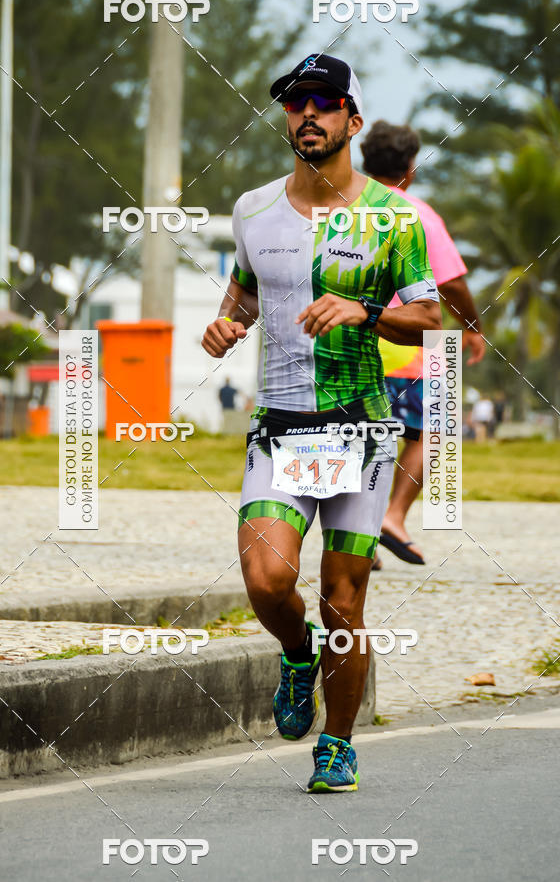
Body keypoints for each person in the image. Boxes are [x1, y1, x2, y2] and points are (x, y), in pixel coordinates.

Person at [202, 54, 441, 793]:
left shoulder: (392, 217)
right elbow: (243, 295)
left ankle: (337, 745)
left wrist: (364, 310)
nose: (308, 113)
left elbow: (429, 318)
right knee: (267, 579)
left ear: (352, 120)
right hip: (281, 427)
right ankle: (296, 653)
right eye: (295, 102)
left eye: (325, 102)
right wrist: (223, 325)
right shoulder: (252, 209)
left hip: (360, 431)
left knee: (345, 596)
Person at [360, 120, 485, 566]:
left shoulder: (342, 207)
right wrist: (472, 327)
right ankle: (392, 517)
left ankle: (358, 535)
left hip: (355, 336)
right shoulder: (421, 214)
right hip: (415, 339)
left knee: (363, 439)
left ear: (364, 160)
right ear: (410, 168)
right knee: (435, 431)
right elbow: (450, 284)